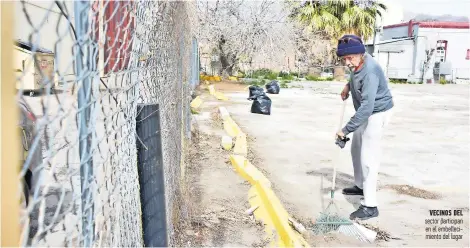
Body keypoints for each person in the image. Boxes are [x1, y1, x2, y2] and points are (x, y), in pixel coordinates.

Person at [335, 34, 394, 220]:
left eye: (350, 58)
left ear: (360, 54)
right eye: (344, 59)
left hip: (377, 113)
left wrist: (345, 130)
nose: (347, 62)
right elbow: (354, 75)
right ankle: (360, 186)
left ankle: (370, 206)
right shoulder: (358, 62)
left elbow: (367, 108)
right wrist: (348, 86)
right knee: (356, 149)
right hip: (365, 111)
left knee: (368, 158)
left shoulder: (371, 70)